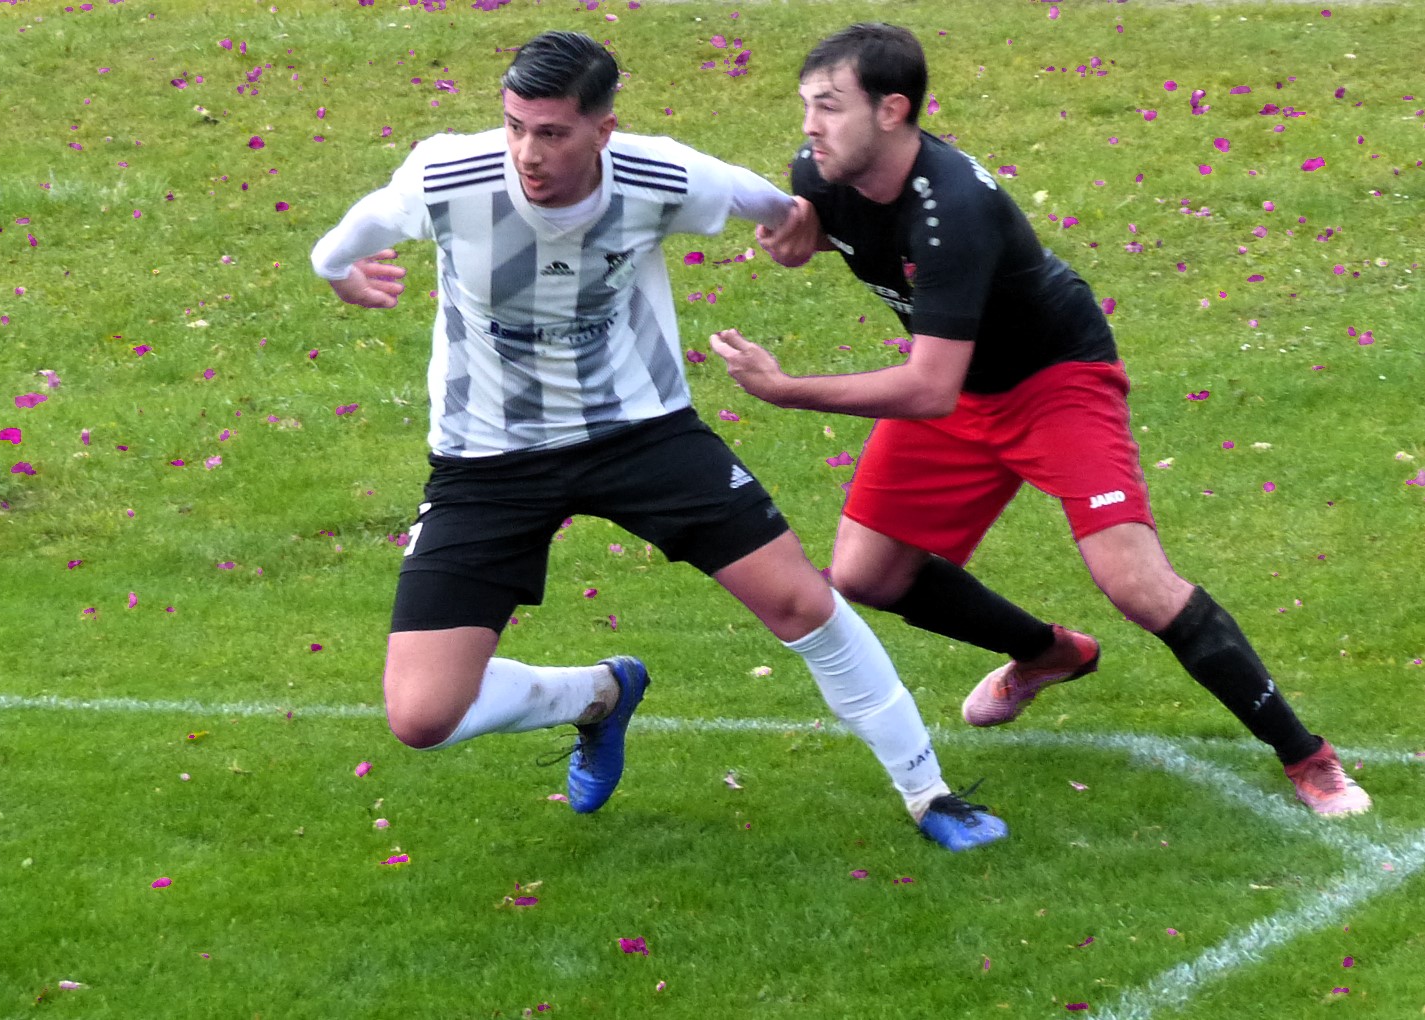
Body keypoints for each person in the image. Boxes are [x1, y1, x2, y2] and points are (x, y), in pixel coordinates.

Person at [309, 31, 1006, 849]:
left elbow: (778, 210)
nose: (527, 153)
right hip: (486, 456)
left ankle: (928, 793)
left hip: (640, 431)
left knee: (799, 602)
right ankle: (597, 696)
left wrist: (797, 228)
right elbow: (341, 242)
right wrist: (339, 274)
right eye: (515, 127)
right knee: (421, 716)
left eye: (552, 132)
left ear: (603, 129)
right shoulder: (447, 175)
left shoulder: (660, 175)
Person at [711, 22, 1370, 817]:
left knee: (1135, 584)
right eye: (805, 105)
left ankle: (1307, 756)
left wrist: (788, 390)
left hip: (1052, 378)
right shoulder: (819, 172)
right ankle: (1047, 653)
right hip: (961, 379)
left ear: (891, 110)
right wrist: (804, 241)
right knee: (865, 576)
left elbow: (927, 389)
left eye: (828, 105)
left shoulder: (954, 210)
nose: (809, 125)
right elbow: (847, 239)